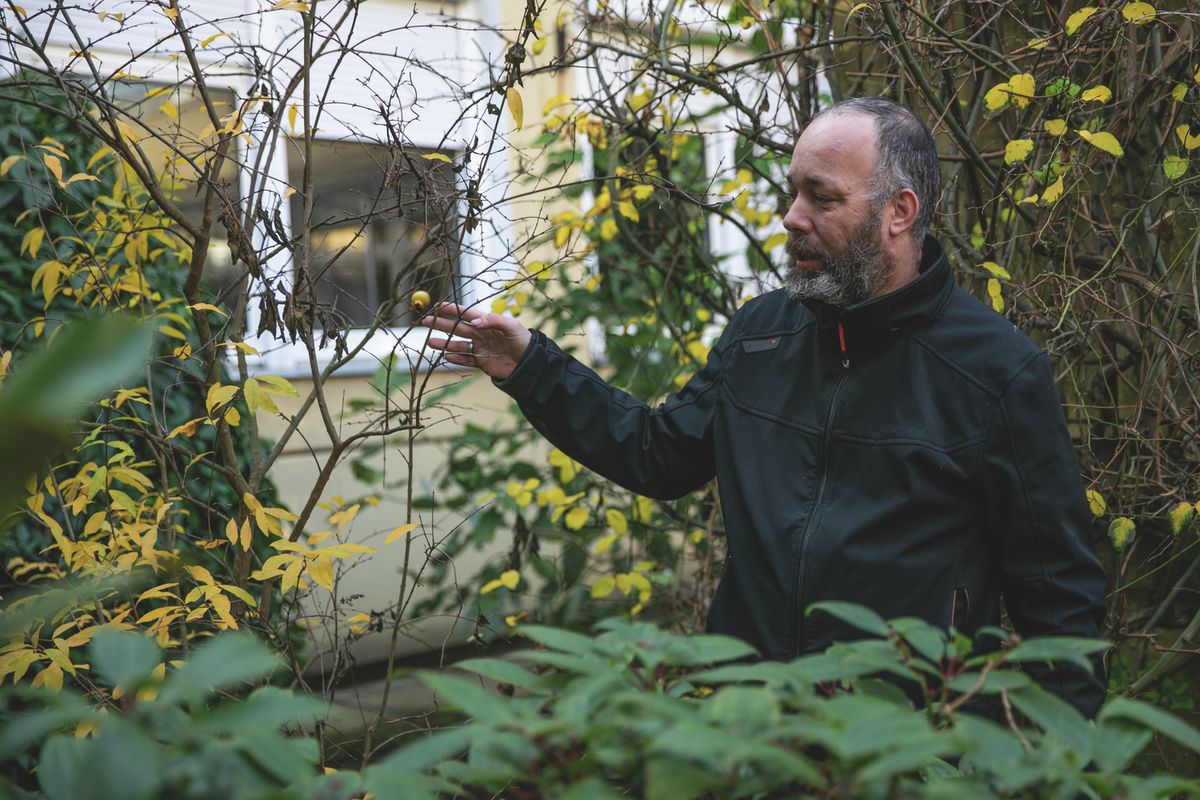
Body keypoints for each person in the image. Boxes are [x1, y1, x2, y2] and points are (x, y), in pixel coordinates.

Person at [421, 96, 1108, 718]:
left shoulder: (995, 371)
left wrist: (1055, 763)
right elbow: (658, 454)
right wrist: (531, 366)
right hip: (745, 726)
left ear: (899, 212)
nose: (791, 217)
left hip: (907, 740)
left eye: (821, 197)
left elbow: (1059, 597)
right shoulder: (762, 334)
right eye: (792, 192)